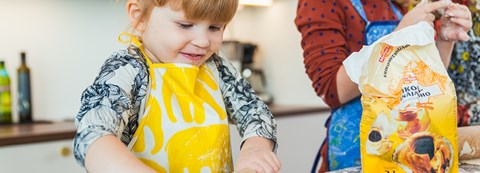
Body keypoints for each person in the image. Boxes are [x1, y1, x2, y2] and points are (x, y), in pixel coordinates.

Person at [72, 0, 281, 172]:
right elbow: (93, 134)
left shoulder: (216, 67)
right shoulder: (127, 69)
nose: (202, 41)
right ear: (139, 17)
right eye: (185, 25)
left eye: (215, 27)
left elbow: (256, 112)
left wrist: (254, 150)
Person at [294, 0, 472, 172]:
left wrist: (445, 40)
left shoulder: (394, 5)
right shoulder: (319, 3)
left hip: (405, 151)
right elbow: (332, 89)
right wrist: (399, 34)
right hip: (355, 152)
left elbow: (423, 78)